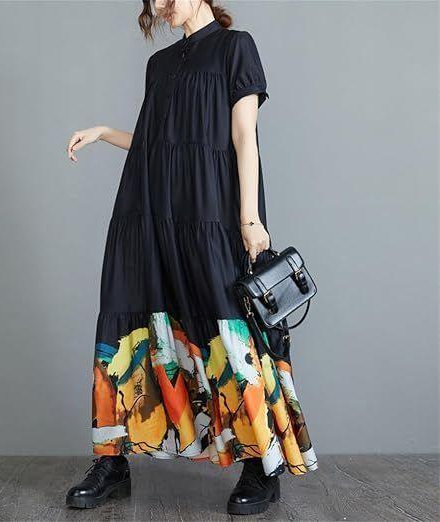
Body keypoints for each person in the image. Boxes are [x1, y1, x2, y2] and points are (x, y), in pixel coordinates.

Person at [65, 0, 317, 516]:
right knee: (129, 321)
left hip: (211, 212)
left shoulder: (235, 48)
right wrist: (104, 133)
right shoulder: (159, 64)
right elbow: (158, 144)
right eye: (151, 1)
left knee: (229, 329)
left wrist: (249, 217)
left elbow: (243, 136)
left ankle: (261, 465)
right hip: (150, 211)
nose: (159, 6)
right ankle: (113, 460)